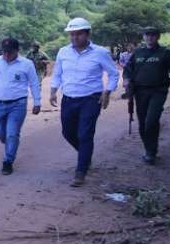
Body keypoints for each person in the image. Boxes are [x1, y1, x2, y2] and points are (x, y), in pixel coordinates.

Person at [50, 17, 119, 187]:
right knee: (67, 132)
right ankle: (85, 155)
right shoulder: (63, 52)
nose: (74, 38)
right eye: (72, 34)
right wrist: (53, 90)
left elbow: (114, 73)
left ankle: (80, 171)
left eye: (78, 34)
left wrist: (108, 91)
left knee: (85, 134)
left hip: (91, 99)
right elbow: (57, 73)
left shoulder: (100, 52)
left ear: (87, 34)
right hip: (69, 98)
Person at [0, 38, 41, 175]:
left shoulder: (27, 64)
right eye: (4, 52)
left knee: (12, 133)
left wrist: (37, 102)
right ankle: (11, 142)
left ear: (17, 51)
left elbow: (34, 83)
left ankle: (8, 161)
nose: (6, 55)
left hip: (18, 103)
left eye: (9, 52)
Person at [123, 27, 170, 165]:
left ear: (158, 37)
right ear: (144, 37)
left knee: (151, 120)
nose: (150, 38)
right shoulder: (138, 52)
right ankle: (149, 149)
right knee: (142, 124)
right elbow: (128, 69)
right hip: (140, 92)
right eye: (147, 35)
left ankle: (151, 152)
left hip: (158, 91)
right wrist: (126, 80)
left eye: (153, 35)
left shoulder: (165, 53)